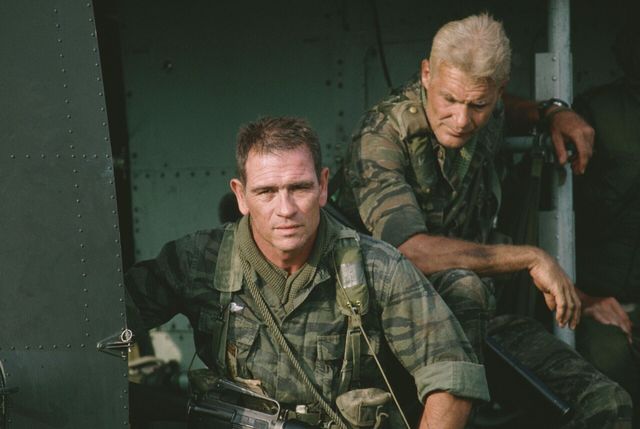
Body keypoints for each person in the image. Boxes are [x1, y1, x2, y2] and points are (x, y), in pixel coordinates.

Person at [335, 13, 633, 428]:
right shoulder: (382, 136)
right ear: (426, 74)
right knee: (465, 286)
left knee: (606, 403)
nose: (462, 120)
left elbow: (509, 112)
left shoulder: (488, 113)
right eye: (449, 100)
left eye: (478, 105)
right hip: (389, 331)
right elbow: (412, 251)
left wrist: (551, 113)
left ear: (497, 92)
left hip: (479, 325)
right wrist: (530, 258)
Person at [126, 116, 490, 429]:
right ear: (241, 196)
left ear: (323, 186)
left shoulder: (375, 267)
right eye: (266, 192)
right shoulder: (199, 261)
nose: (285, 209)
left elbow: (451, 376)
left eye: (299, 187)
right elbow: (107, 324)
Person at [572, 20, 640, 427]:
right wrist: (584, 298)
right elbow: (559, 213)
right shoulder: (596, 111)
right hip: (601, 298)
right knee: (607, 364)